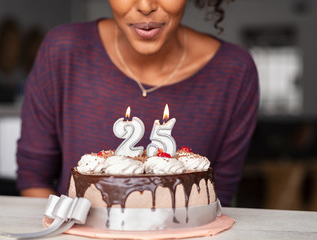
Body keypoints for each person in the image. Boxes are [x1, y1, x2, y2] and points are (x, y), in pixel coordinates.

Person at [17, 0, 259, 207]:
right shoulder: (63, 50)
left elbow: (218, 197)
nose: (145, 6)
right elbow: (34, 179)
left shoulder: (234, 71)